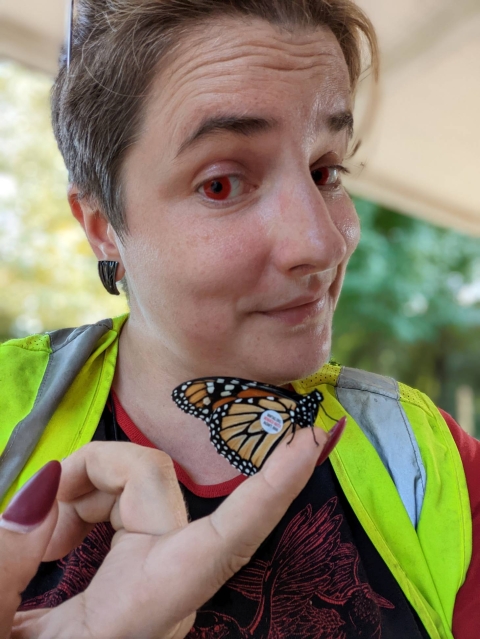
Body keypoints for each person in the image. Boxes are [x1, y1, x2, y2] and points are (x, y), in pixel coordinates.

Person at [0, 0, 479, 637]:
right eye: (223, 183)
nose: (323, 243)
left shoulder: (429, 461)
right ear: (102, 225)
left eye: (326, 170)